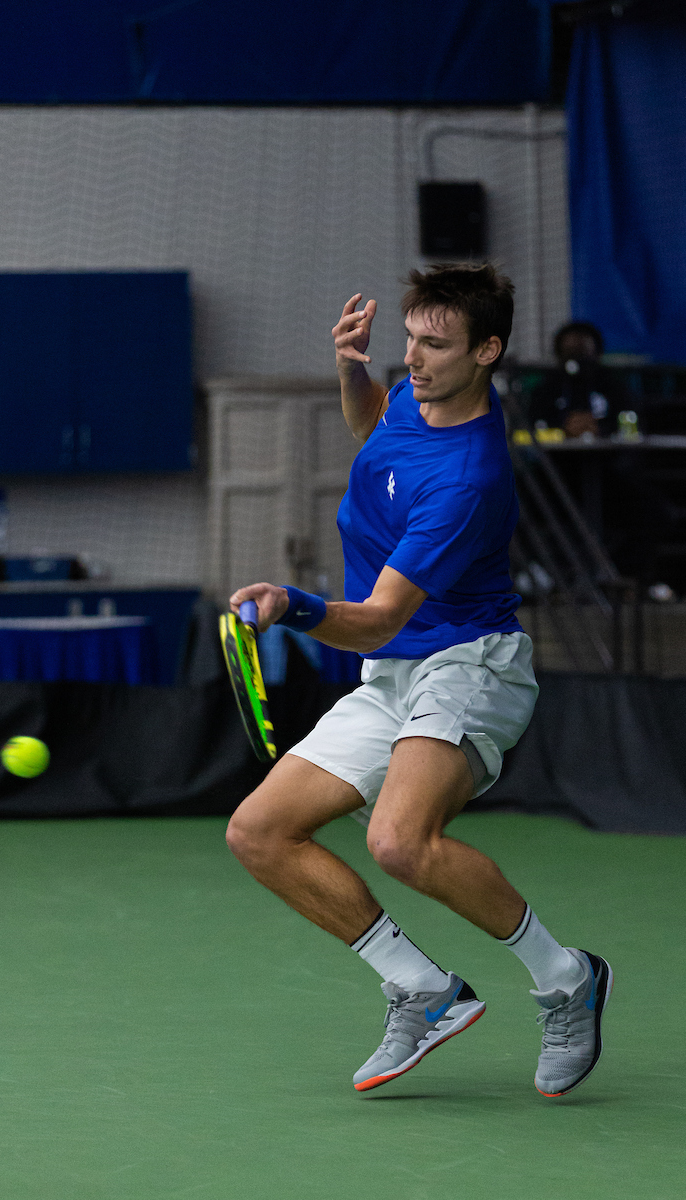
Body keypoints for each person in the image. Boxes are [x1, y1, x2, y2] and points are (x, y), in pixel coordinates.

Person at [225, 263, 612, 1098]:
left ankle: (567, 979)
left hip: (470, 665)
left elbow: (375, 618)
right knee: (259, 832)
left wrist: (290, 603)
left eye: (436, 344)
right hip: (395, 674)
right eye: (411, 339)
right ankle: (422, 988)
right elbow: (377, 429)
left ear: (488, 351)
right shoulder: (415, 394)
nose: (417, 357)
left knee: (399, 840)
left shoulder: (467, 480)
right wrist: (351, 369)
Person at [528, 321, 628, 438]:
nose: (577, 363)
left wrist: (599, 428)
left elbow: (630, 423)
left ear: (597, 353)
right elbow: (533, 425)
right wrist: (563, 430)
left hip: (606, 453)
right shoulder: (547, 388)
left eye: (583, 352)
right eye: (570, 352)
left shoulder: (613, 385)